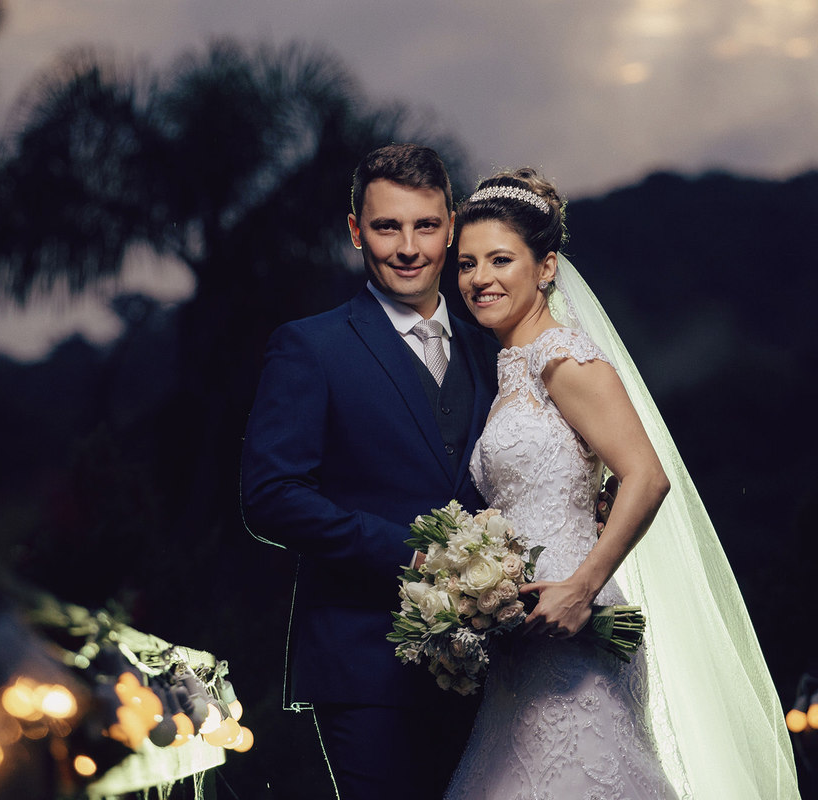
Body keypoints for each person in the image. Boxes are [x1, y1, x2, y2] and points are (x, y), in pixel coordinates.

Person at [443, 168, 799, 799]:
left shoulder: (564, 358)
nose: (478, 279)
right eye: (467, 263)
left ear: (546, 266)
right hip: (525, 636)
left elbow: (646, 475)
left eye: (500, 260)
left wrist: (582, 589)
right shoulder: (512, 370)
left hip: (570, 625)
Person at [240, 143, 500, 798]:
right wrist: (410, 555)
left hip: (497, 665)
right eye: (387, 227)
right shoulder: (311, 346)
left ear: (452, 227)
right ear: (357, 231)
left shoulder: (496, 348)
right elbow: (269, 496)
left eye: (425, 225)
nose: (408, 247)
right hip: (364, 665)